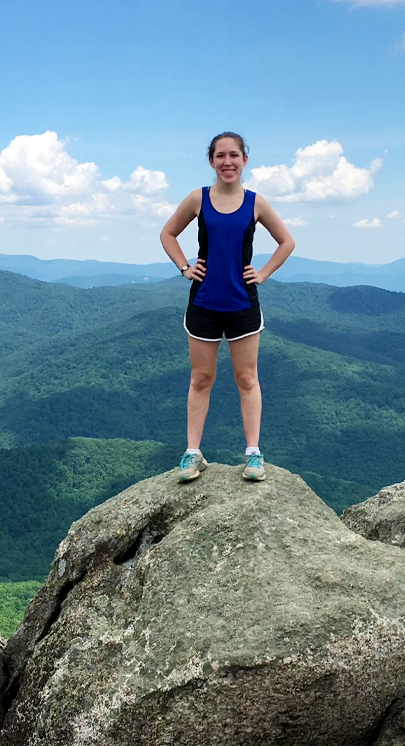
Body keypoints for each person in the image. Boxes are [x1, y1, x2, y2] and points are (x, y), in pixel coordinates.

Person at [160, 131, 295, 483]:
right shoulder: (198, 199)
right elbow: (168, 234)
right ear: (211, 161)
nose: (227, 162)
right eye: (220, 156)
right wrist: (184, 267)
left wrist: (262, 273)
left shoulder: (256, 203)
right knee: (201, 378)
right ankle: (193, 453)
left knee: (247, 378)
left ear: (244, 160)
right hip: (204, 302)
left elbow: (287, 241)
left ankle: (253, 454)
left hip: (242, 303)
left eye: (234, 155)